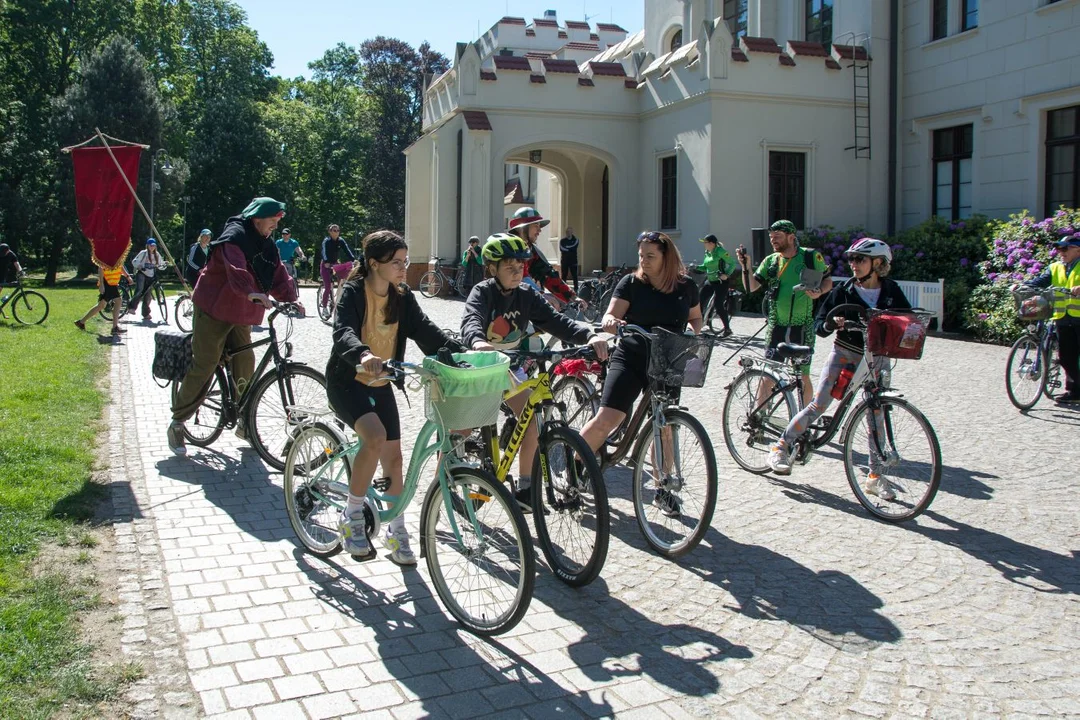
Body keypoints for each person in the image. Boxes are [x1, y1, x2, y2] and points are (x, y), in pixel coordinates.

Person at [326, 230, 465, 562]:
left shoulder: (402, 296)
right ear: (374, 263)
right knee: (374, 437)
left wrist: (463, 353)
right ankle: (353, 516)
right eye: (397, 262)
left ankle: (395, 529)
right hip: (348, 382)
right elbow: (342, 330)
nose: (404, 268)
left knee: (395, 458)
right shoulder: (354, 293)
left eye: (405, 261)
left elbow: (426, 332)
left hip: (383, 382)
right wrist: (361, 354)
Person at [462, 233, 609, 507]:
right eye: (510, 268)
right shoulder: (483, 292)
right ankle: (442, 486)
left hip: (510, 372)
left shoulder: (526, 295)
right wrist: (479, 343)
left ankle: (526, 489)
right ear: (492, 269)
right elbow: (471, 321)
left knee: (530, 420)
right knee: (462, 429)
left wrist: (590, 336)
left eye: (520, 267)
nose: (517, 273)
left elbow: (557, 322)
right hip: (482, 369)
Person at [766, 239, 911, 501]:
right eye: (851, 259)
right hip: (845, 353)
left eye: (860, 259)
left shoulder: (891, 290)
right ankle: (781, 445)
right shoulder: (844, 291)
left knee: (876, 413)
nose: (853, 264)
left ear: (878, 263)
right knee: (819, 405)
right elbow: (820, 323)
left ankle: (875, 476)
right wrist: (832, 322)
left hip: (877, 358)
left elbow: (906, 319)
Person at [579, 231, 702, 516]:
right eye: (641, 256)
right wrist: (611, 322)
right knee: (608, 418)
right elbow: (611, 314)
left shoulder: (685, 287)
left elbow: (695, 317)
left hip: (669, 359)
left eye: (650, 256)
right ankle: (578, 463)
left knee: (665, 426)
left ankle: (663, 487)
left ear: (666, 257)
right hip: (632, 356)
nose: (644, 261)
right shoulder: (631, 283)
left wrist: (698, 333)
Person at [167, 197, 299, 456]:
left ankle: (244, 421)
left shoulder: (267, 243)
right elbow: (236, 269)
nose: (276, 224)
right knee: (205, 363)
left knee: (245, 361)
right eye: (273, 219)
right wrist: (251, 292)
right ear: (257, 218)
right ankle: (178, 422)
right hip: (214, 308)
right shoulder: (234, 236)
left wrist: (293, 299)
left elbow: (277, 272)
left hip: (241, 311)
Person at [737, 219, 832, 406]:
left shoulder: (810, 257)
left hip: (802, 326)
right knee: (769, 373)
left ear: (791, 237)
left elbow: (828, 281)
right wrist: (745, 267)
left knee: (802, 375)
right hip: (776, 326)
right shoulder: (771, 261)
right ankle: (760, 419)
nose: (773, 241)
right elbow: (752, 286)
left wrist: (819, 291)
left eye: (778, 237)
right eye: (771, 238)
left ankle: (804, 418)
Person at [1024, 236, 1080, 404]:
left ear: (1077, 249)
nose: (1060, 253)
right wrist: (1024, 286)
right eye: (1059, 249)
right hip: (1063, 318)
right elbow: (1040, 281)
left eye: (1065, 249)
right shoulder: (1054, 267)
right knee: (1066, 358)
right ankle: (1075, 391)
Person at [508, 207, 582, 310]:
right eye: (536, 226)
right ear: (522, 228)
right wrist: (540, 294)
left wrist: (572, 296)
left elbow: (548, 275)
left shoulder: (532, 251)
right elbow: (521, 278)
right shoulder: (509, 250)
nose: (539, 230)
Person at [694, 233, 736, 337]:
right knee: (699, 300)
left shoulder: (720, 252)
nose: (704, 244)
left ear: (712, 243)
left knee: (718, 304)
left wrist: (726, 274)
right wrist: (695, 267)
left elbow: (732, 263)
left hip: (721, 282)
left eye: (706, 243)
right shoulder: (707, 252)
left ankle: (727, 329)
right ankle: (698, 324)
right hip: (711, 280)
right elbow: (705, 266)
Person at [75, 263, 133, 335]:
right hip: (108, 282)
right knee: (118, 301)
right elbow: (101, 268)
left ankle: (81, 322)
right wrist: (102, 284)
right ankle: (115, 327)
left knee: (101, 305)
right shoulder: (107, 255)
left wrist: (127, 276)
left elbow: (120, 266)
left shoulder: (118, 256)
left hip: (112, 283)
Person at [320, 224, 355, 311]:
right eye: (334, 231)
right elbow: (323, 252)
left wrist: (353, 259)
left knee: (343, 280)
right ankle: (324, 307)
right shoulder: (326, 241)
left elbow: (347, 250)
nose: (336, 232)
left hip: (335, 264)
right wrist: (326, 261)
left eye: (338, 231)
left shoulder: (341, 241)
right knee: (328, 286)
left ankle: (340, 300)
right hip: (326, 265)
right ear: (330, 232)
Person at [559, 226, 580, 291]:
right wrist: (569, 249)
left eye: (569, 232)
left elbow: (574, 247)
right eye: (567, 232)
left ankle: (576, 289)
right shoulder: (562, 241)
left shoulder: (576, 240)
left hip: (573, 261)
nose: (568, 233)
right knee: (564, 275)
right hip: (564, 260)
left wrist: (567, 248)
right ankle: (563, 289)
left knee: (574, 275)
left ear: (572, 232)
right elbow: (561, 248)